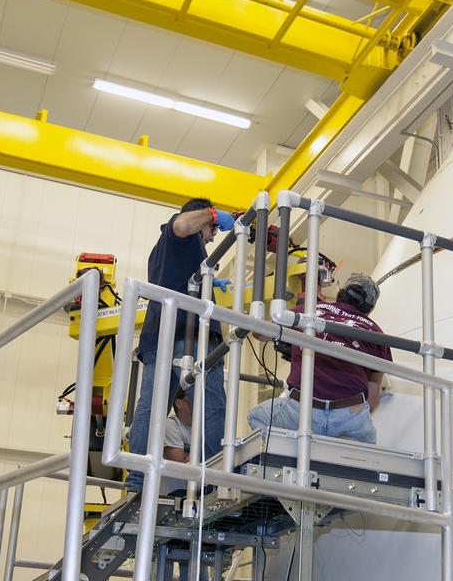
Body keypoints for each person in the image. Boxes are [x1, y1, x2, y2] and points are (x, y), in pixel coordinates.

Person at [124, 198, 234, 494]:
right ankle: (211, 481)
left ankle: (136, 481)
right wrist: (213, 214)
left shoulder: (164, 250)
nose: (212, 237)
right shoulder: (180, 232)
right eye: (213, 230)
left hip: (158, 335)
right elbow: (184, 223)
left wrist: (209, 283)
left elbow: (176, 279)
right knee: (212, 406)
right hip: (190, 335)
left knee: (150, 407)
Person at [248, 273, 391, 444]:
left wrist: (291, 335)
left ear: (340, 293)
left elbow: (259, 332)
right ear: (370, 309)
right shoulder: (377, 334)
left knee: (258, 416)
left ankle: (291, 456)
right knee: (366, 453)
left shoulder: (312, 311)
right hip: (349, 415)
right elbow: (373, 400)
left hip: (302, 411)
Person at [160, 389, 209, 581]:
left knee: (199, 577)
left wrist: (189, 458)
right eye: (192, 398)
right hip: (169, 501)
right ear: (179, 402)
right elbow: (179, 463)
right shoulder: (171, 425)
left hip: (197, 500)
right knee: (163, 567)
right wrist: (195, 458)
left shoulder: (204, 428)